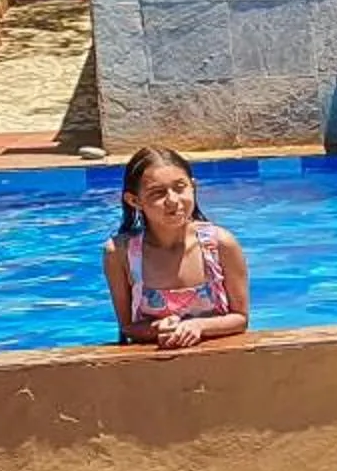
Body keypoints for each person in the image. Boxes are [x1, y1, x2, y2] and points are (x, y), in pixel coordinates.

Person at [103, 144, 252, 352]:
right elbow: (128, 327)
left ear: (193, 187)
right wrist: (156, 328)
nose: (173, 201)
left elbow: (240, 318)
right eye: (158, 193)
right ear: (134, 200)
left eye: (180, 187)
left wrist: (197, 326)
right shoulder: (120, 254)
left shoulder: (220, 245)